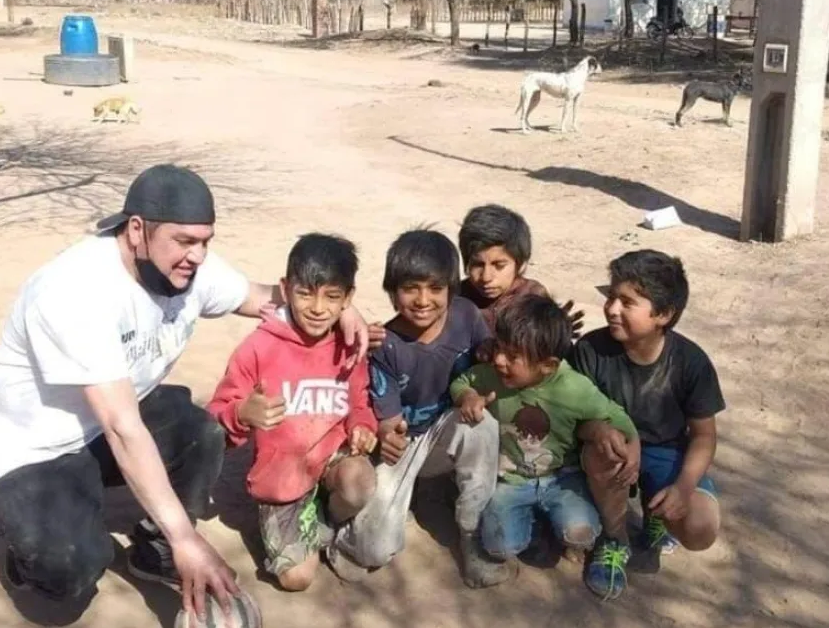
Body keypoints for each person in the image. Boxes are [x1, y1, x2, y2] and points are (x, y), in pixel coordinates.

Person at [0, 164, 369, 619]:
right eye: (184, 241)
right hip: (31, 447)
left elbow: (266, 299)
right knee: (71, 570)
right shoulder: (76, 291)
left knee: (203, 432)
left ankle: (151, 548)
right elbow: (123, 429)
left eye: (205, 242)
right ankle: (35, 549)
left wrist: (346, 313)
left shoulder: (187, 269)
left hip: (102, 422)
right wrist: (187, 538)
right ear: (137, 230)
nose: (197, 256)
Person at [330, 229, 510, 588]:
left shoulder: (466, 315)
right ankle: (341, 533)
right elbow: (392, 423)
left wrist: (475, 392)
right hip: (406, 444)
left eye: (435, 288)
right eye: (410, 288)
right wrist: (387, 434)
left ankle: (471, 532)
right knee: (372, 551)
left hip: (448, 426)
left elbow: (486, 360)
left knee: (483, 425)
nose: (423, 300)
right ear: (393, 291)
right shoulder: (386, 345)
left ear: (450, 290)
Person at [208, 233, 377, 592]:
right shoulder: (258, 348)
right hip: (282, 479)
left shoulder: (350, 344)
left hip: (331, 458)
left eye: (332, 297)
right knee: (296, 579)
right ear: (285, 289)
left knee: (360, 481)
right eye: (305, 293)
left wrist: (363, 424)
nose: (318, 308)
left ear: (348, 299)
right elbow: (214, 420)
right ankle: (293, 520)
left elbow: (359, 401)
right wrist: (241, 413)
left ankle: (327, 518)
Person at [571, 249, 725, 601]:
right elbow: (574, 419)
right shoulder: (590, 350)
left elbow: (704, 436)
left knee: (700, 529)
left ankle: (658, 514)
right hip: (611, 450)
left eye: (627, 302)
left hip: (666, 450)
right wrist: (597, 430)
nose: (611, 308)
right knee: (605, 450)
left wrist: (684, 487)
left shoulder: (692, 362)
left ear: (664, 314)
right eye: (611, 297)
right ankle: (613, 540)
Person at [450, 294, 637, 576]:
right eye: (499, 348)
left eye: (512, 356)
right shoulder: (491, 374)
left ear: (548, 365)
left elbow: (618, 416)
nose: (499, 360)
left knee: (581, 533)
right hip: (509, 481)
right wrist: (467, 396)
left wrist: (634, 445)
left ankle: (567, 525)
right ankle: (535, 524)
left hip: (561, 478)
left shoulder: (574, 388)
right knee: (499, 546)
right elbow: (462, 381)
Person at [457, 204, 585, 336]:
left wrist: (556, 333)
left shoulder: (532, 297)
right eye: (477, 265)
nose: (486, 277)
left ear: (521, 264)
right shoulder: (458, 297)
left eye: (499, 265)